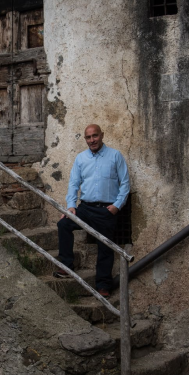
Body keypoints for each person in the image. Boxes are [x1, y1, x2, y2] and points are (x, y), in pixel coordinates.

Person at [54, 124, 130, 297]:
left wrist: (116, 206)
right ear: (85, 139)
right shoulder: (81, 159)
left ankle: (103, 285)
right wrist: (71, 206)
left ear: (102, 135)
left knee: (105, 246)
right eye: (88, 137)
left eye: (95, 136)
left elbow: (125, 184)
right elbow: (73, 184)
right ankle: (66, 264)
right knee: (64, 224)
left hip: (106, 210)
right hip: (85, 208)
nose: (92, 140)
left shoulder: (115, 156)